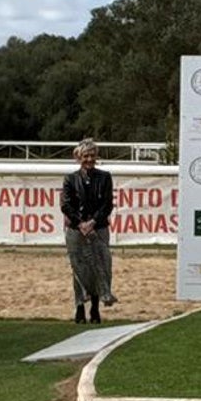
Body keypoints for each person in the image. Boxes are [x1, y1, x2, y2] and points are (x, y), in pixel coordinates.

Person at [60, 138, 117, 324]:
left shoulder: (105, 177)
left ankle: (95, 307)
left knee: (99, 266)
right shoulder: (70, 179)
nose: (89, 159)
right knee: (79, 268)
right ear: (78, 157)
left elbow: (107, 204)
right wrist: (80, 223)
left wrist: (92, 222)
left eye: (92, 155)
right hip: (76, 230)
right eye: (85, 156)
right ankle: (79, 306)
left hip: (98, 228)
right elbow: (66, 205)